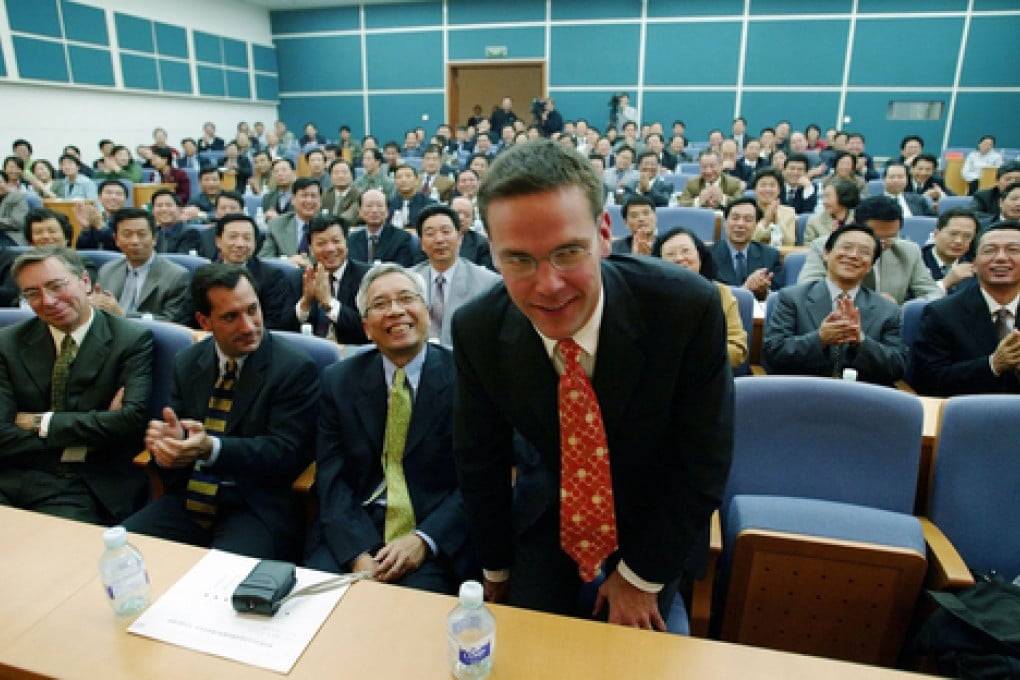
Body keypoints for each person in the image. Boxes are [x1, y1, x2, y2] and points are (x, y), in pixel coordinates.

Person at [452, 139, 733, 628]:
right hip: (549, 511)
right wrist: (496, 564)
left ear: (604, 234)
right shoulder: (477, 328)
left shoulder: (684, 307)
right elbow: (481, 459)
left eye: (567, 252)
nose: (548, 285)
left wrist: (641, 576)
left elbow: (702, 459)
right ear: (491, 252)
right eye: (518, 260)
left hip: (655, 513)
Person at [124, 265, 319, 560]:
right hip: (189, 499)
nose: (249, 326)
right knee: (123, 554)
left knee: (219, 587)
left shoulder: (294, 367)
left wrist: (210, 448)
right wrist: (170, 442)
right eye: (231, 317)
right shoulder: (188, 362)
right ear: (204, 321)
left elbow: (285, 453)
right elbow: (178, 432)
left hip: (254, 505)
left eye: (253, 310)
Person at [304, 264, 474, 593]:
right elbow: (331, 475)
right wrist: (356, 553)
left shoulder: (466, 379)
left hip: (432, 533)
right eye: (380, 305)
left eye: (406, 299)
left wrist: (424, 540)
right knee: (317, 613)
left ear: (427, 311)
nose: (395, 311)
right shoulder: (339, 382)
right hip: (354, 527)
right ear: (366, 327)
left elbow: (479, 478)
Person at [0, 248, 152, 523]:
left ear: (84, 282)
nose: (48, 301)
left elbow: (130, 421)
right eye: (32, 293)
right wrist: (91, 432)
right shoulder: (7, 343)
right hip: (9, 472)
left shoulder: (131, 340)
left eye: (57, 286)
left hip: (81, 481)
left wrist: (42, 423)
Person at [763, 225, 907, 385]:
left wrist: (862, 342)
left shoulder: (887, 310)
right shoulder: (792, 298)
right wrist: (819, 339)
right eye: (847, 247)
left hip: (862, 399)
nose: (853, 256)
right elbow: (773, 356)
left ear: (871, 265)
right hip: (803, 393)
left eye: (864, 252)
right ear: (826, 253)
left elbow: (897, 367)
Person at [908, 222, 1020, 396]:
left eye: (1013, 250)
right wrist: (992, 365)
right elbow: (928, 382)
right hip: (965, 415)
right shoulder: (942, 314)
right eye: (990, 250)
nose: (1001, 258)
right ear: (974, 263)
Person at [797, 195, 942, 305]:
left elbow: (933, 295)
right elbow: (806, 290)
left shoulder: (909, 251)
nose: (883, 244)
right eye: (876, 238)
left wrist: (901, 307)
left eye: (891, 237)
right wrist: (867, 302)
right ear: (855, 225)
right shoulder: (826, 246)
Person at [652, 227, 748, 368]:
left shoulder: (721, 293)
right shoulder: (649, 296)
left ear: (700, 255)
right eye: (670, 254)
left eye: (685, 251)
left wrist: (692, 355)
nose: (679, 258)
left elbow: (737, 350)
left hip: (710, 378)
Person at [410, 204, 499, 346]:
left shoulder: (488, 283)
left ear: (459, 238)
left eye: (446, 231)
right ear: (421, 243)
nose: (439, 239)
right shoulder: (408, 280)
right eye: (430, 233)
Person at [94, 208, 191, 324]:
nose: (135, 241)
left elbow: (171, 321)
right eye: (127, 234)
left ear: (154, 238)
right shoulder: (107, 271)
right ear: (116, 240)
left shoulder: (176, 276)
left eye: (141, 234)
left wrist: (123, 314)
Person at [214, 213, 297, 331]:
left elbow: (278, 324)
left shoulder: (273, 278)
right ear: (218, 241)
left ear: (255, 243)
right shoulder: (204, 276)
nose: (240, 244)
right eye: (233, 237)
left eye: (247, 238)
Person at [294, 215, 369, 344]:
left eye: (336, 241)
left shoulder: (366, 277)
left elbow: (369, 328)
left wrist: (329, 302)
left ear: (346, 243)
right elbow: (283, 327)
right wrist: (305, 303)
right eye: (321, 243)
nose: (330, 249)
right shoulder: (301, 277)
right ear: (310, 249)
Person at [709, 197, 784, 300]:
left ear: (756, 225)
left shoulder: (770, 256)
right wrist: (745, 288)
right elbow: (708, 294)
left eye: (748, 220)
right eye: (735, 218)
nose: (740, 224)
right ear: (725, 222)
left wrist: (764, 290)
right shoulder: (708, 255)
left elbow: (778, 296)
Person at [258, 177, 322, 264]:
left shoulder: (330, 227)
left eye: (313, 196)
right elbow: (263, 260)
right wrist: (287, 262)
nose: (309, 200)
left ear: (320, 200)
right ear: (293, 200)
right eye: (304, 195)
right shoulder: (277, 225)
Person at [346, 189, 416, 267]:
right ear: (360, 211)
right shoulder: (351, 240)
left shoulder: (402, 238)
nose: (374, 210)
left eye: (379, 206)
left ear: (387, 211)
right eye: (369, 206)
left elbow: (401, 270)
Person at [922, 208, 978, 295]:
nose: (959, 241)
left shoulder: (975, 266)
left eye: (967, 236)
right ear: (936, 234)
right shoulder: (915, 260)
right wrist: (945, 283)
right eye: (953, 234)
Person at [678, 151, 743, 208]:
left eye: (712, 166)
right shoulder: (692, 183)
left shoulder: (734, 183)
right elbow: (681, 204)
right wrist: (699, 201)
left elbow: (741, 206)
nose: (708, 171)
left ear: (721, 166)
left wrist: (723, 199)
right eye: (704, 167)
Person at [750, 168, 797, 246]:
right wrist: (766, 220)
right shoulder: (747, 211)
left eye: (772, 185)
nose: (767, 189)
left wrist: (777, 218)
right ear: (755, 189)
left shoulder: (789, 212)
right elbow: (749, 242)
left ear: (779, 190)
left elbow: (790, 242)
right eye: (763, 185)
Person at [151, 189, 202, 255]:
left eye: (168, 205)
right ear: (153, 210)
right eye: (159, 206)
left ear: (180, 209)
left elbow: (181, 261)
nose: (164, 209)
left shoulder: (190, 233)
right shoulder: (153, 232)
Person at [969, 161, 1020, 225]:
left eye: (1018, 180)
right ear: (997, 181)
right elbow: (973, 215)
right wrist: (1003, 217)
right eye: (1008, 179)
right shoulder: (983, 196)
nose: (1012, 183)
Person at [0, 171, 29, 246]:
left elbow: (18, 222)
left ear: (7, 183)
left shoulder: (17, 197)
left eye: (0, 182)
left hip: (10, 236)